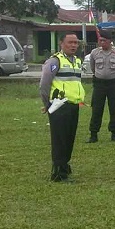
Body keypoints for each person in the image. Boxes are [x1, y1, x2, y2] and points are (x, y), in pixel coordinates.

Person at [39, 32, 84, 181]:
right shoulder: (55, 61)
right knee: (60, 140)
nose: (73, 45)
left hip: (73, 105)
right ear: (61, 43)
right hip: (59, 106)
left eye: (76, 43)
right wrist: (47, 104)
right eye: (70, 42)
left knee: (69, 138)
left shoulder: (76, 61)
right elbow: (44, 84)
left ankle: (64, 165)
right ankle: (58, 172)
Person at [86, 31, 115, 143]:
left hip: (113, 84)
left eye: (104, 40)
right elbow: (93, 68)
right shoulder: (94, 53)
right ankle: (93, 135)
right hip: (99, 84)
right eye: (100, 40)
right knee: (96, 109)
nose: (102, 43)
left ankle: (114, 134)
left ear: (110, 41)